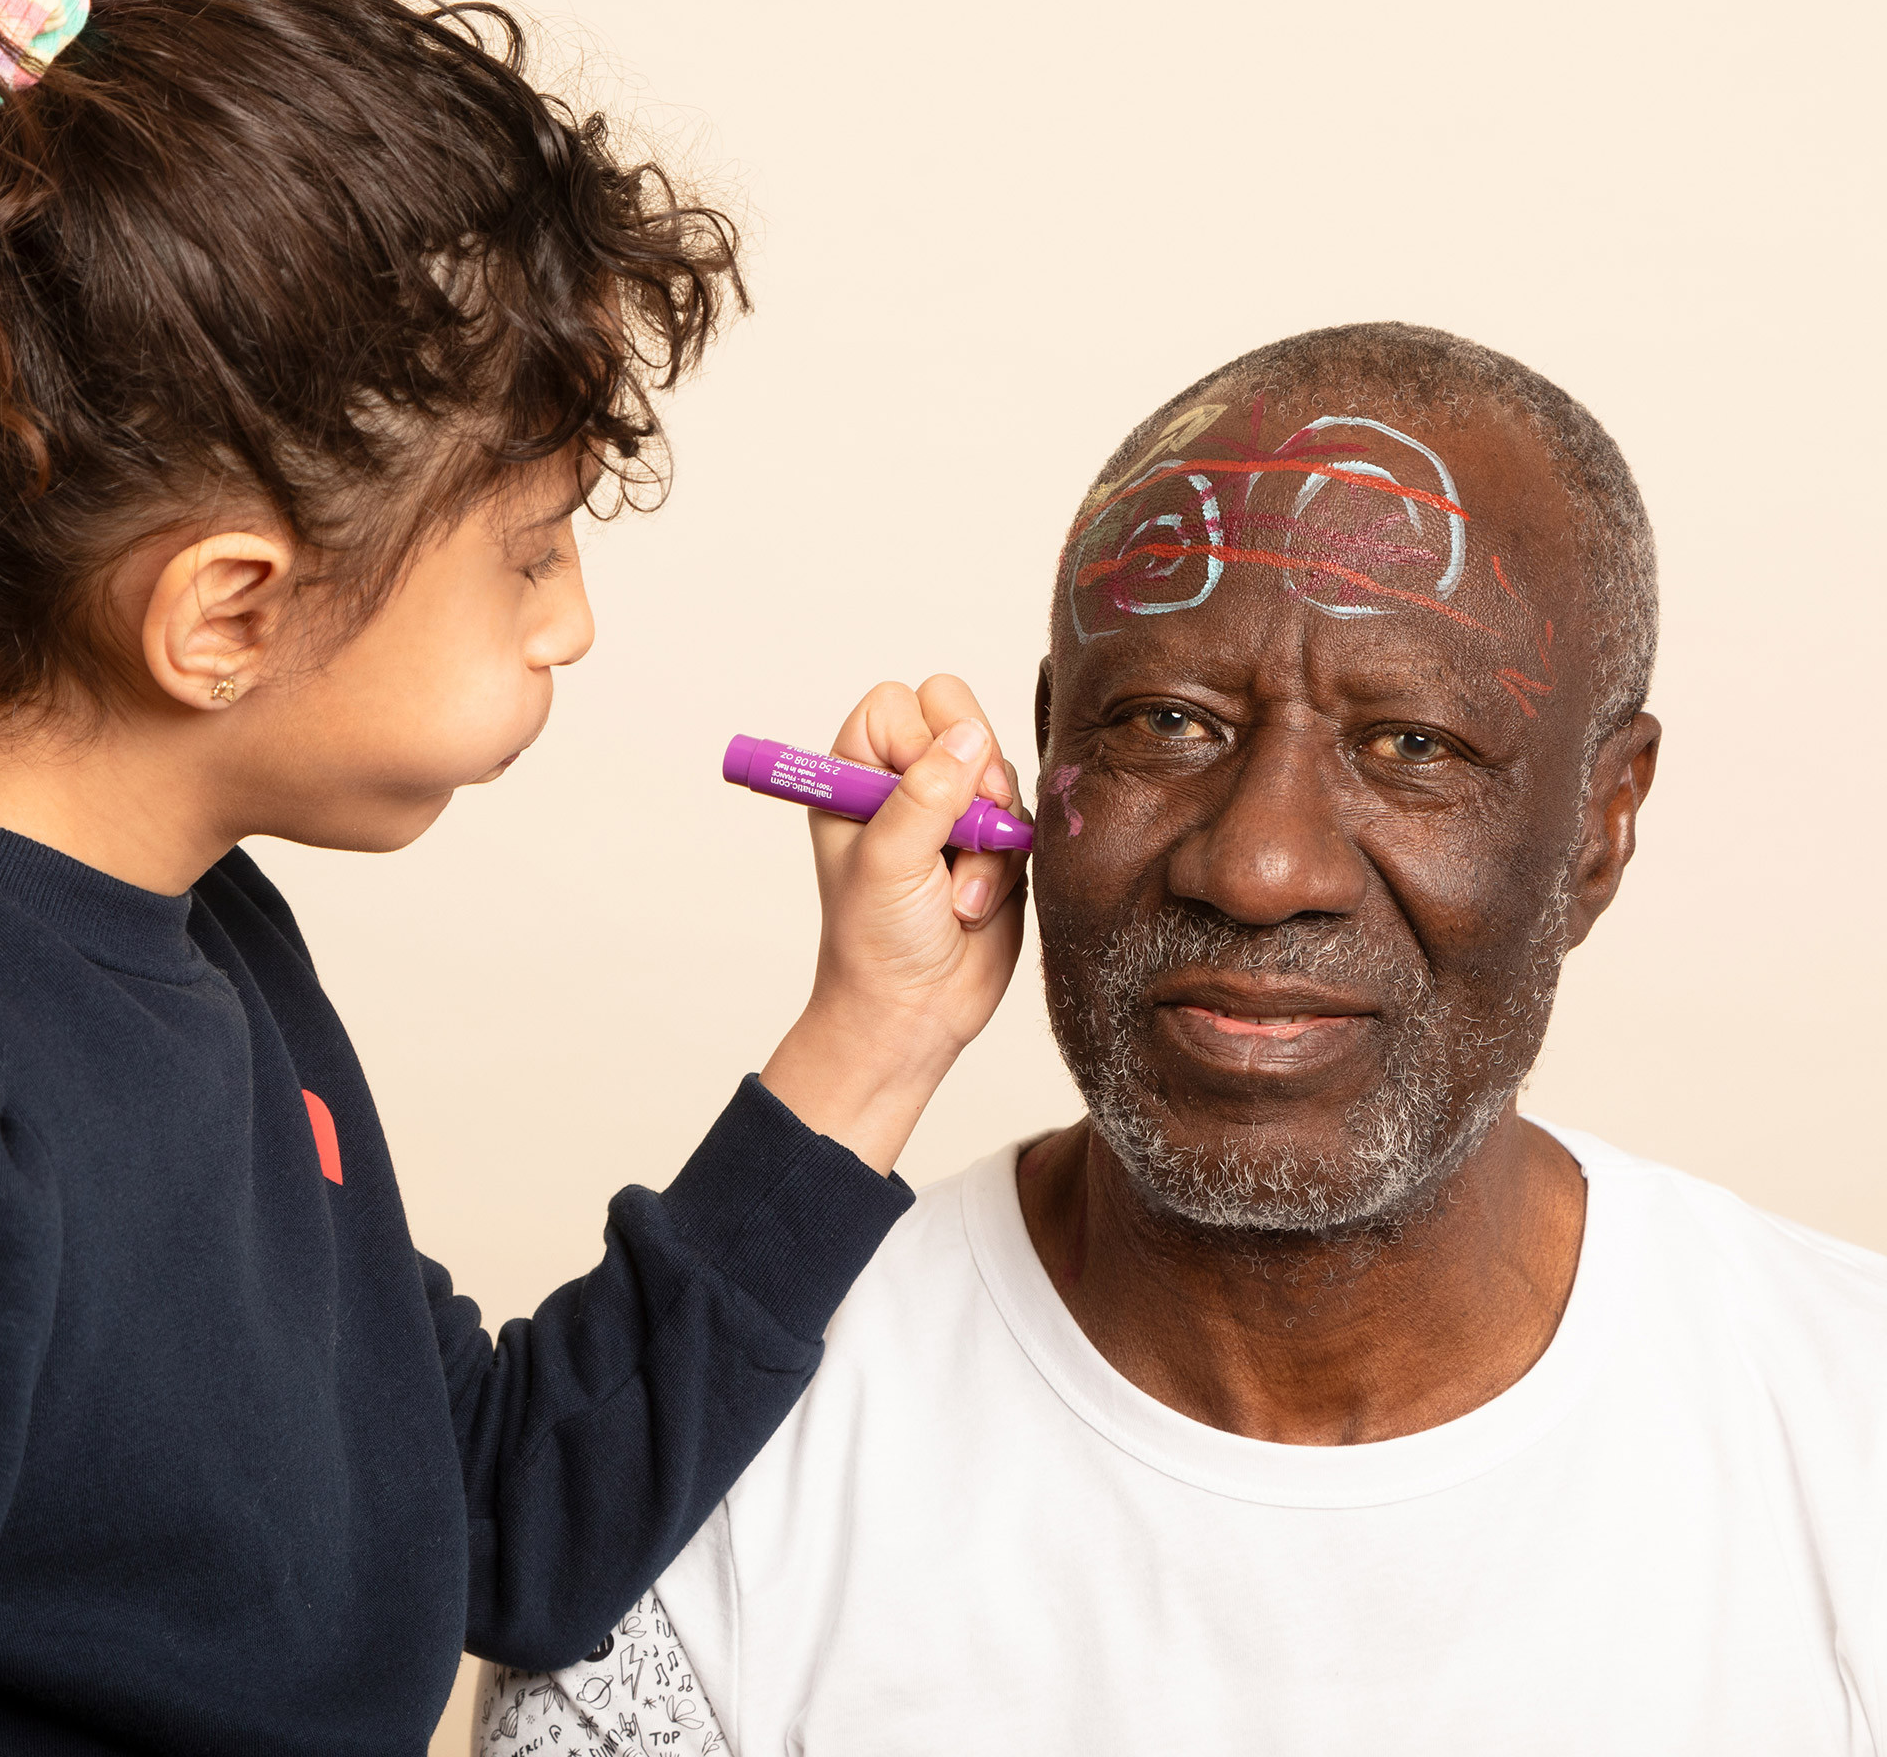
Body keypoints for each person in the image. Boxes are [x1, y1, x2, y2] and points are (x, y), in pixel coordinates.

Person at [0, 0, 1027, 1754]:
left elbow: (490, 1524)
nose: (579, 622)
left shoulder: (210, 933)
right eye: (529, 555)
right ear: (230, 611)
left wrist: (874, 1028)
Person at [487, 321, 1887, 1755]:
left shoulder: (1851, 1435)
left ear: (1604, 819)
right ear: (1046, 750)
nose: (1260, 867)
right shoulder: (678, 1467)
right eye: (1168, 720)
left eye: (1412, 745)